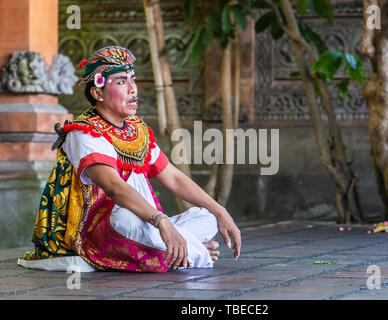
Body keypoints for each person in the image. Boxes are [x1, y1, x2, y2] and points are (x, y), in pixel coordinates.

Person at [18, 46, 241, 272]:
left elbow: (172, 177)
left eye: (132, 80)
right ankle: (195, 252)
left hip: (147, 222)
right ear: (97, 92)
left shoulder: (136, 129)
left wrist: (220, 211)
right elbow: (114, 187)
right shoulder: (83, 132)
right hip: (100, 228)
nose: (133, 89)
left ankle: (172, 249)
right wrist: (161, 221)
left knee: (207, 218)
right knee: (126, 219)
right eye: (121, 82)